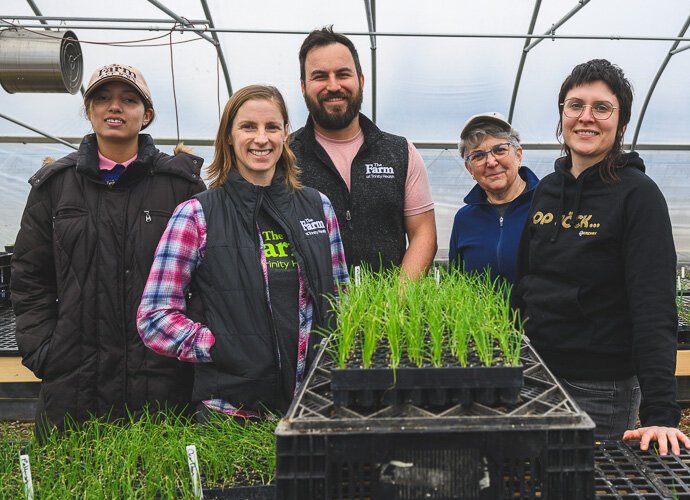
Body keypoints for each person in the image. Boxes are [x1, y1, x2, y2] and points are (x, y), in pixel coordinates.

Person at [11, 63, 205, 436]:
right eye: (103, 98)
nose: (114, 107)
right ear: (89, 110)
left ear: (146, 115)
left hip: (161, 379)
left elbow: (208, 276)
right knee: (73, 485)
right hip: (74, 383)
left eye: (128, 100)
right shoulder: (54, 186)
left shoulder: (181, 186)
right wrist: (45, 351)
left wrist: (185, 346)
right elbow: (29, 277)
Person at [137, 85, 348, 419]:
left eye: (272, 127)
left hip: (312, 406)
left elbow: (340, 300)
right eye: (248, 127)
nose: (261, 139)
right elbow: (154, 317)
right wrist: (217, 345)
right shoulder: (196, 214)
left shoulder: (318, 207)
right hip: (230, 413)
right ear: (229, 137)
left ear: (285, 135)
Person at [513, 59, 690, 455]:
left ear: (622, 122)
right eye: (575, 105)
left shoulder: (638, 196)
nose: (586, 118)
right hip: (537, 375)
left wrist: (660, 412)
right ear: (562, 116)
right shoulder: (547, 191)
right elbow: (525, 280)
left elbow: (654, 305)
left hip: (600, 387)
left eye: (602, 107)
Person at [290, 26, 437, 278]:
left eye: (343, 74)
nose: (333, 86)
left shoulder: (401, 153)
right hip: (308, 314)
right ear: (303, 86)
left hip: (389, 311)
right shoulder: (285, 155)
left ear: (360, 80)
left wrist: (395, 302)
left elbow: (423, 232)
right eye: (320, 76)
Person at [449, 112, 539, 286]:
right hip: (478, 314)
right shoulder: (464, 219)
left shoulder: (547, 204)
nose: (491, 162)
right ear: (469, 169)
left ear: (518, 155)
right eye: (478, 156)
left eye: (499, 150)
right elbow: (456, 283)